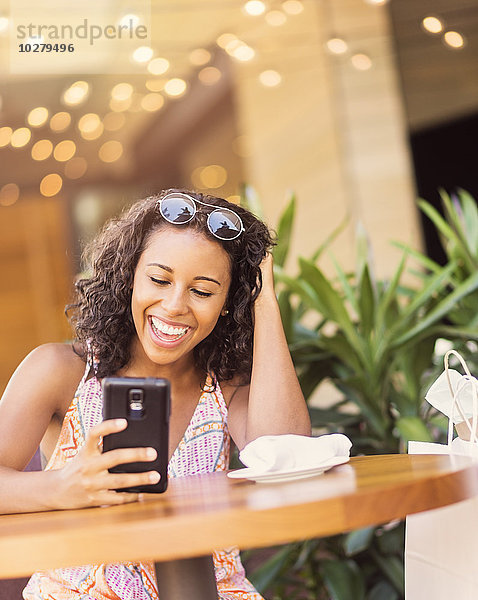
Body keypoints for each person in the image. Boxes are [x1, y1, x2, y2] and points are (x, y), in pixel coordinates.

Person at [0, 189, 311, 599]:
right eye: (159, 280)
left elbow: (284, 458)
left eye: (202, 291)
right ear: (130, 275)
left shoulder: (227, 387)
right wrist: (62, 487)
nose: (175, 305)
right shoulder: (60, 371)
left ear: (227, 302)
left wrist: (264, 302)